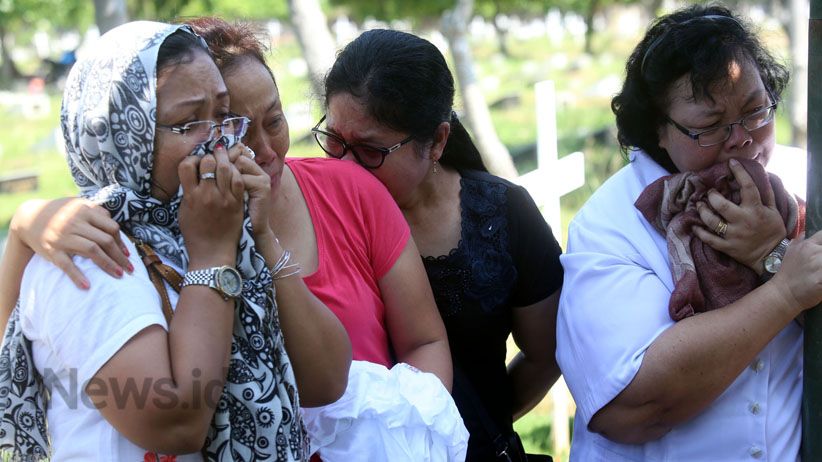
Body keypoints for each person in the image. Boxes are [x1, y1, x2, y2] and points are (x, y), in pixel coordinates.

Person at [0, 18, 465, 461]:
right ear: (123, 135)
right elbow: (177, 422)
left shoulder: (223, 225)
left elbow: (326, 381)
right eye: (188, 124)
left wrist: (259, 237)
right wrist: (212, 254)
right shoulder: (90, 248)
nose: (224, 143)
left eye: (222, 118)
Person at [555, 5, 822, 461]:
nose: (742, 139)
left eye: (756, 110)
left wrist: (771, 253)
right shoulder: (610, 225)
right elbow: (634, 407)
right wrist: (783, 294)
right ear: (657, 129)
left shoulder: (805, 184)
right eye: (710, 127)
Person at [317, 29, 564, 461]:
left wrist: (476, 422)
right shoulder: (311, 217)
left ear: (437, 141)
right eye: (334, 141)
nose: (345, 166)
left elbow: (548, 353)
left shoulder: (504, 213)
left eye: (370, 151)